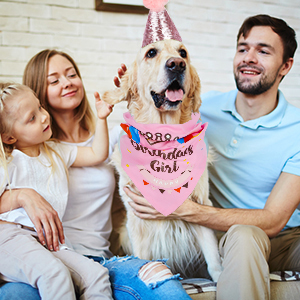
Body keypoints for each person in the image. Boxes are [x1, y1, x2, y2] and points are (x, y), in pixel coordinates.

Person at [121, 14, 300, 300]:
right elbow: (150, 128)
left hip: (287, 238)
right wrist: (136, 81)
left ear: (286, 65)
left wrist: (182, 208)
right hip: (233, 236)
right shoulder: (199, 109)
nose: (249, 58)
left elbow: (273, 220)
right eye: (243, 48)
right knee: (244, 235)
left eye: (263, 51)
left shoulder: (298, 129)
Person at [0, 50, 192, 300]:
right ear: (38, 90)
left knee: (162, 284)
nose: (67, 82)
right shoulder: (15, 154)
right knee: (17, 294)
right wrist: (22, 196)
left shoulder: (89, 142)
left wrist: (133, 87)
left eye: (71, 74)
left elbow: (152, 133)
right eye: (54, 80)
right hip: (39, 253)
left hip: (97, 259)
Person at [0, 82, 113, 300]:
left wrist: (102, 118)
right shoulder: (8, 163)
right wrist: (21, 197)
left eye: (40, 108)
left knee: (97, 276)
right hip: (10, 236)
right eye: (31, 118)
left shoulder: (56, 151)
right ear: (9, 137)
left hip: (48, 240)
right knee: (55, 275)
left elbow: (98, 154)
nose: (43, 117)